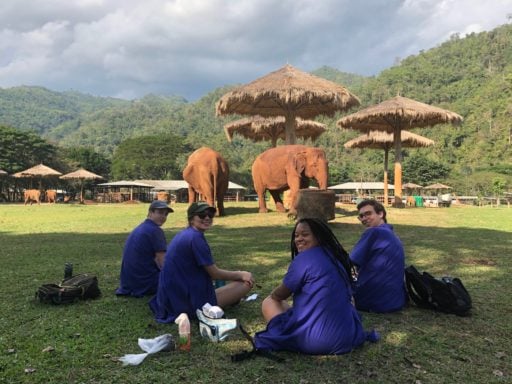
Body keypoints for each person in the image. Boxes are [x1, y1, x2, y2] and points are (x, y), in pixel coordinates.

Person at [254, 218, 378, 355]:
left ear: (319, 237)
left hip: (314, 342)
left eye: (305, 234)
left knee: (269, 302)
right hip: (347, 338)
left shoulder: (304, 259)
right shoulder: (337, 257)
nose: (299, 239)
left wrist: (274, 295)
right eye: (296, 235)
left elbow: (279, 295)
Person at [149, 202, 254, 323]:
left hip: (170, 297)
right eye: (202, 215)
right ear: (191, 219)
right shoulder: (195, 238)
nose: (207, 218)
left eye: (210, 214)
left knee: (230, 281)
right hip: (184, 302)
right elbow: (215, 274)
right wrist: (241, 274)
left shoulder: (186, 234)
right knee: (246, 283)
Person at [350, 199, 407, 313]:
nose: (364, 218)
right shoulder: (391, 234)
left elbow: (350, 261)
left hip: (373, 301)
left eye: (368, 214)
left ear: (381, 214)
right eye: (361, 216)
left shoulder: (374, 232)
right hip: (395, 301)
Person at [115, 200, 173, 298]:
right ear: (150, 213)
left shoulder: (141, 228)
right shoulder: (155, 231)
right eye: (160, 213)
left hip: (128, 284)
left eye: (166, 214)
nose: (163, 217)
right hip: (144, 284)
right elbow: (162, 261)